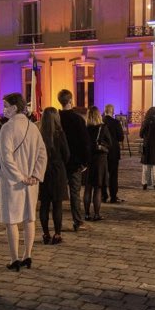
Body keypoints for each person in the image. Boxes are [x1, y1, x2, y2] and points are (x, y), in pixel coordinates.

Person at [0, 93, 47, 271]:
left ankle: (14, 259)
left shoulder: (7, 128)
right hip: (31, 182)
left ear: (14, 107)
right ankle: (28, 255)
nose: (3, 108)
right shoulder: (33, 127)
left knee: (12, 220)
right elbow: (43, 154)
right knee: (29, 218)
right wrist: (35, 175)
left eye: (5, 105)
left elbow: (6, 157)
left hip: (13, 182)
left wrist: (20, 177)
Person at [57, 89, 90, 231]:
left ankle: (57, 223)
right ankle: (78, 221)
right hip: (74, 162)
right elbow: (85, 143)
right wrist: (85, 162)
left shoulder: (55, 118)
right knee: (75, 193)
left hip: (58, 162)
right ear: (71, 101)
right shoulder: (77, 119)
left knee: (57, 193)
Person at [37, 107, 70, 246]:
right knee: (57, 205)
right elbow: (66, 154)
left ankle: (45, 233)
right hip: (57, 170)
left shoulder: (38, 134)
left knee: (44, 204)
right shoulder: (59, 134)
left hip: (43, 171)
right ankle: (57, 234)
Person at [84, 106, 111, 221]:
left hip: (87, 160)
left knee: (87, 188)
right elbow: (110, 144)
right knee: (98, 188)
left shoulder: (85, 128)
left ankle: (86, 214)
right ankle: (96, 214)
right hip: (99, 160)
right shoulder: (103, 127)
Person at [102, 104, 124, 203]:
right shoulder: (115, 122)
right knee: (113, 175)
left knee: (102, 174)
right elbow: (120, 137)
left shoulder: (101, 122)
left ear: (105, 111)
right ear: (112, 111)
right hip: (113, 152)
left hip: (102, 151)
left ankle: (103, 195)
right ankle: (113, 196)